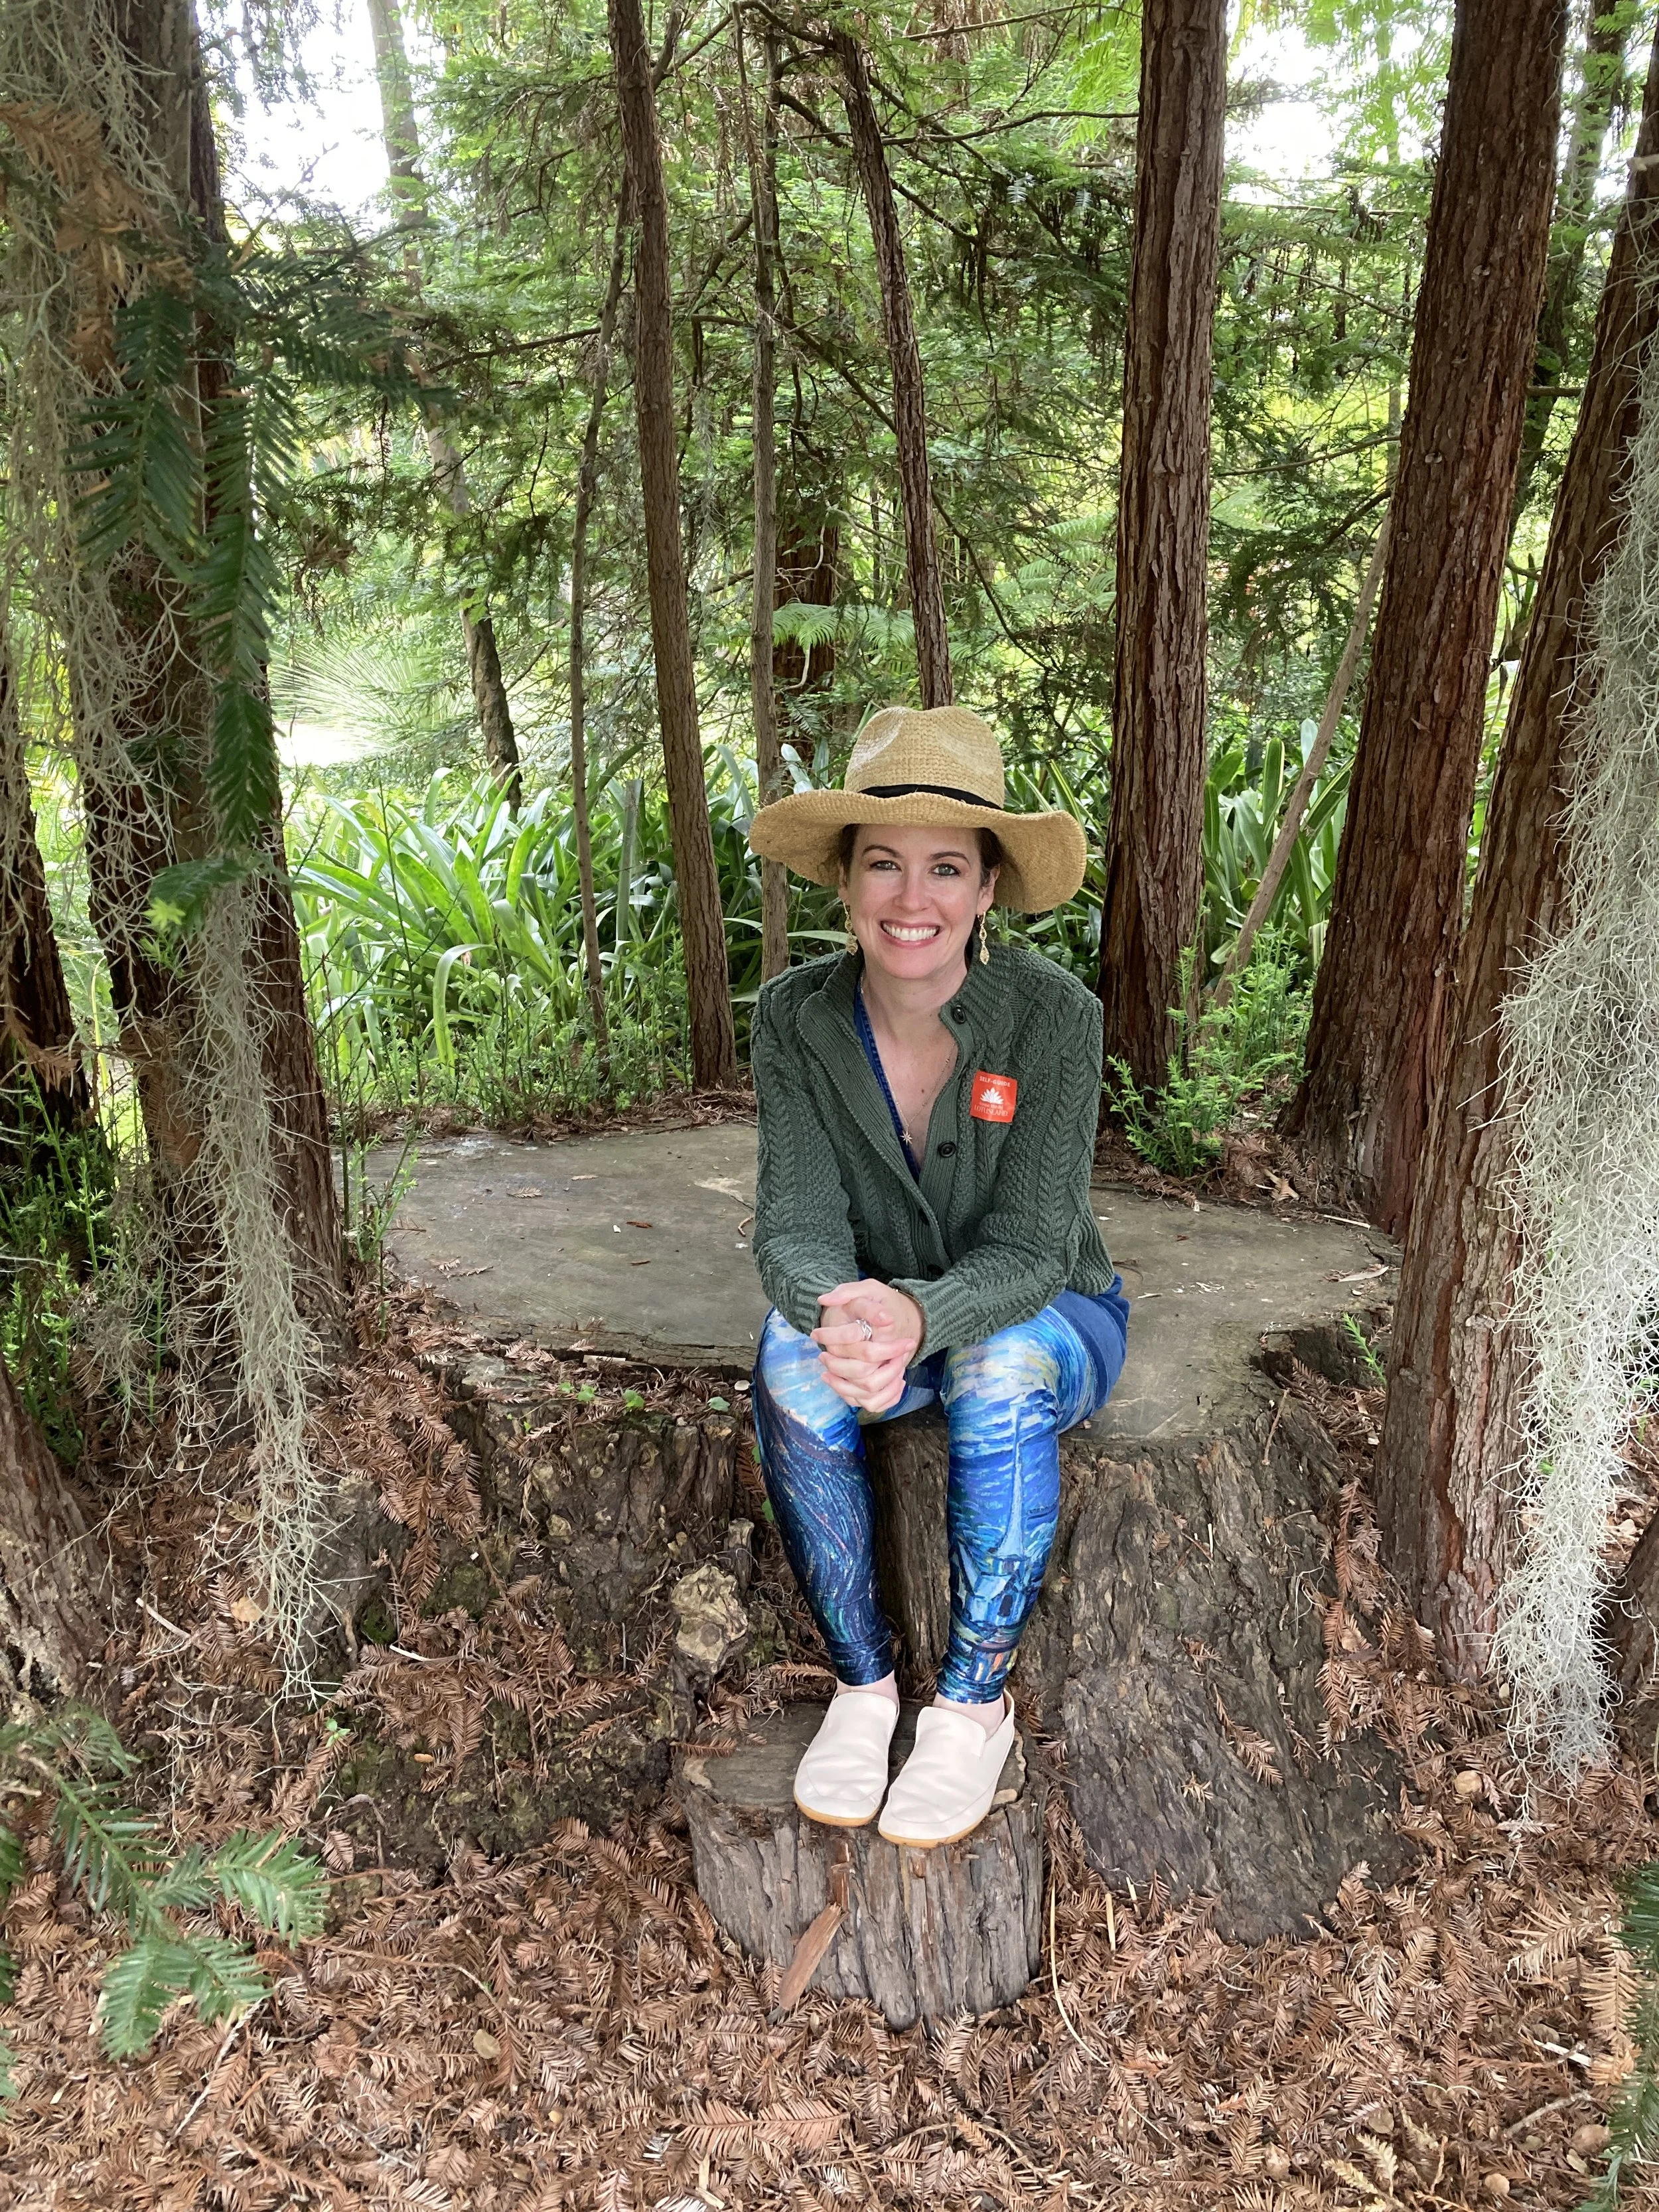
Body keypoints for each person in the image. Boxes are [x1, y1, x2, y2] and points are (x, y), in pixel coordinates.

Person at [745, 704, 1129, 1849]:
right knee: (787, 1360)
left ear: (988, 887)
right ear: (850, 881)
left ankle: (971, 1705)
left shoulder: (1054, 1018)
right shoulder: (794, 1017)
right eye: (885, 866)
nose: (912, 900)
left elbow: (1032, 1249)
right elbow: (795, 1221)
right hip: (877, 1317)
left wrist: (921, 1315)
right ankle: (863, 1686)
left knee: (1000, 1366)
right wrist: (841, 1314)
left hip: (1043, 1309)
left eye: (946, 868)